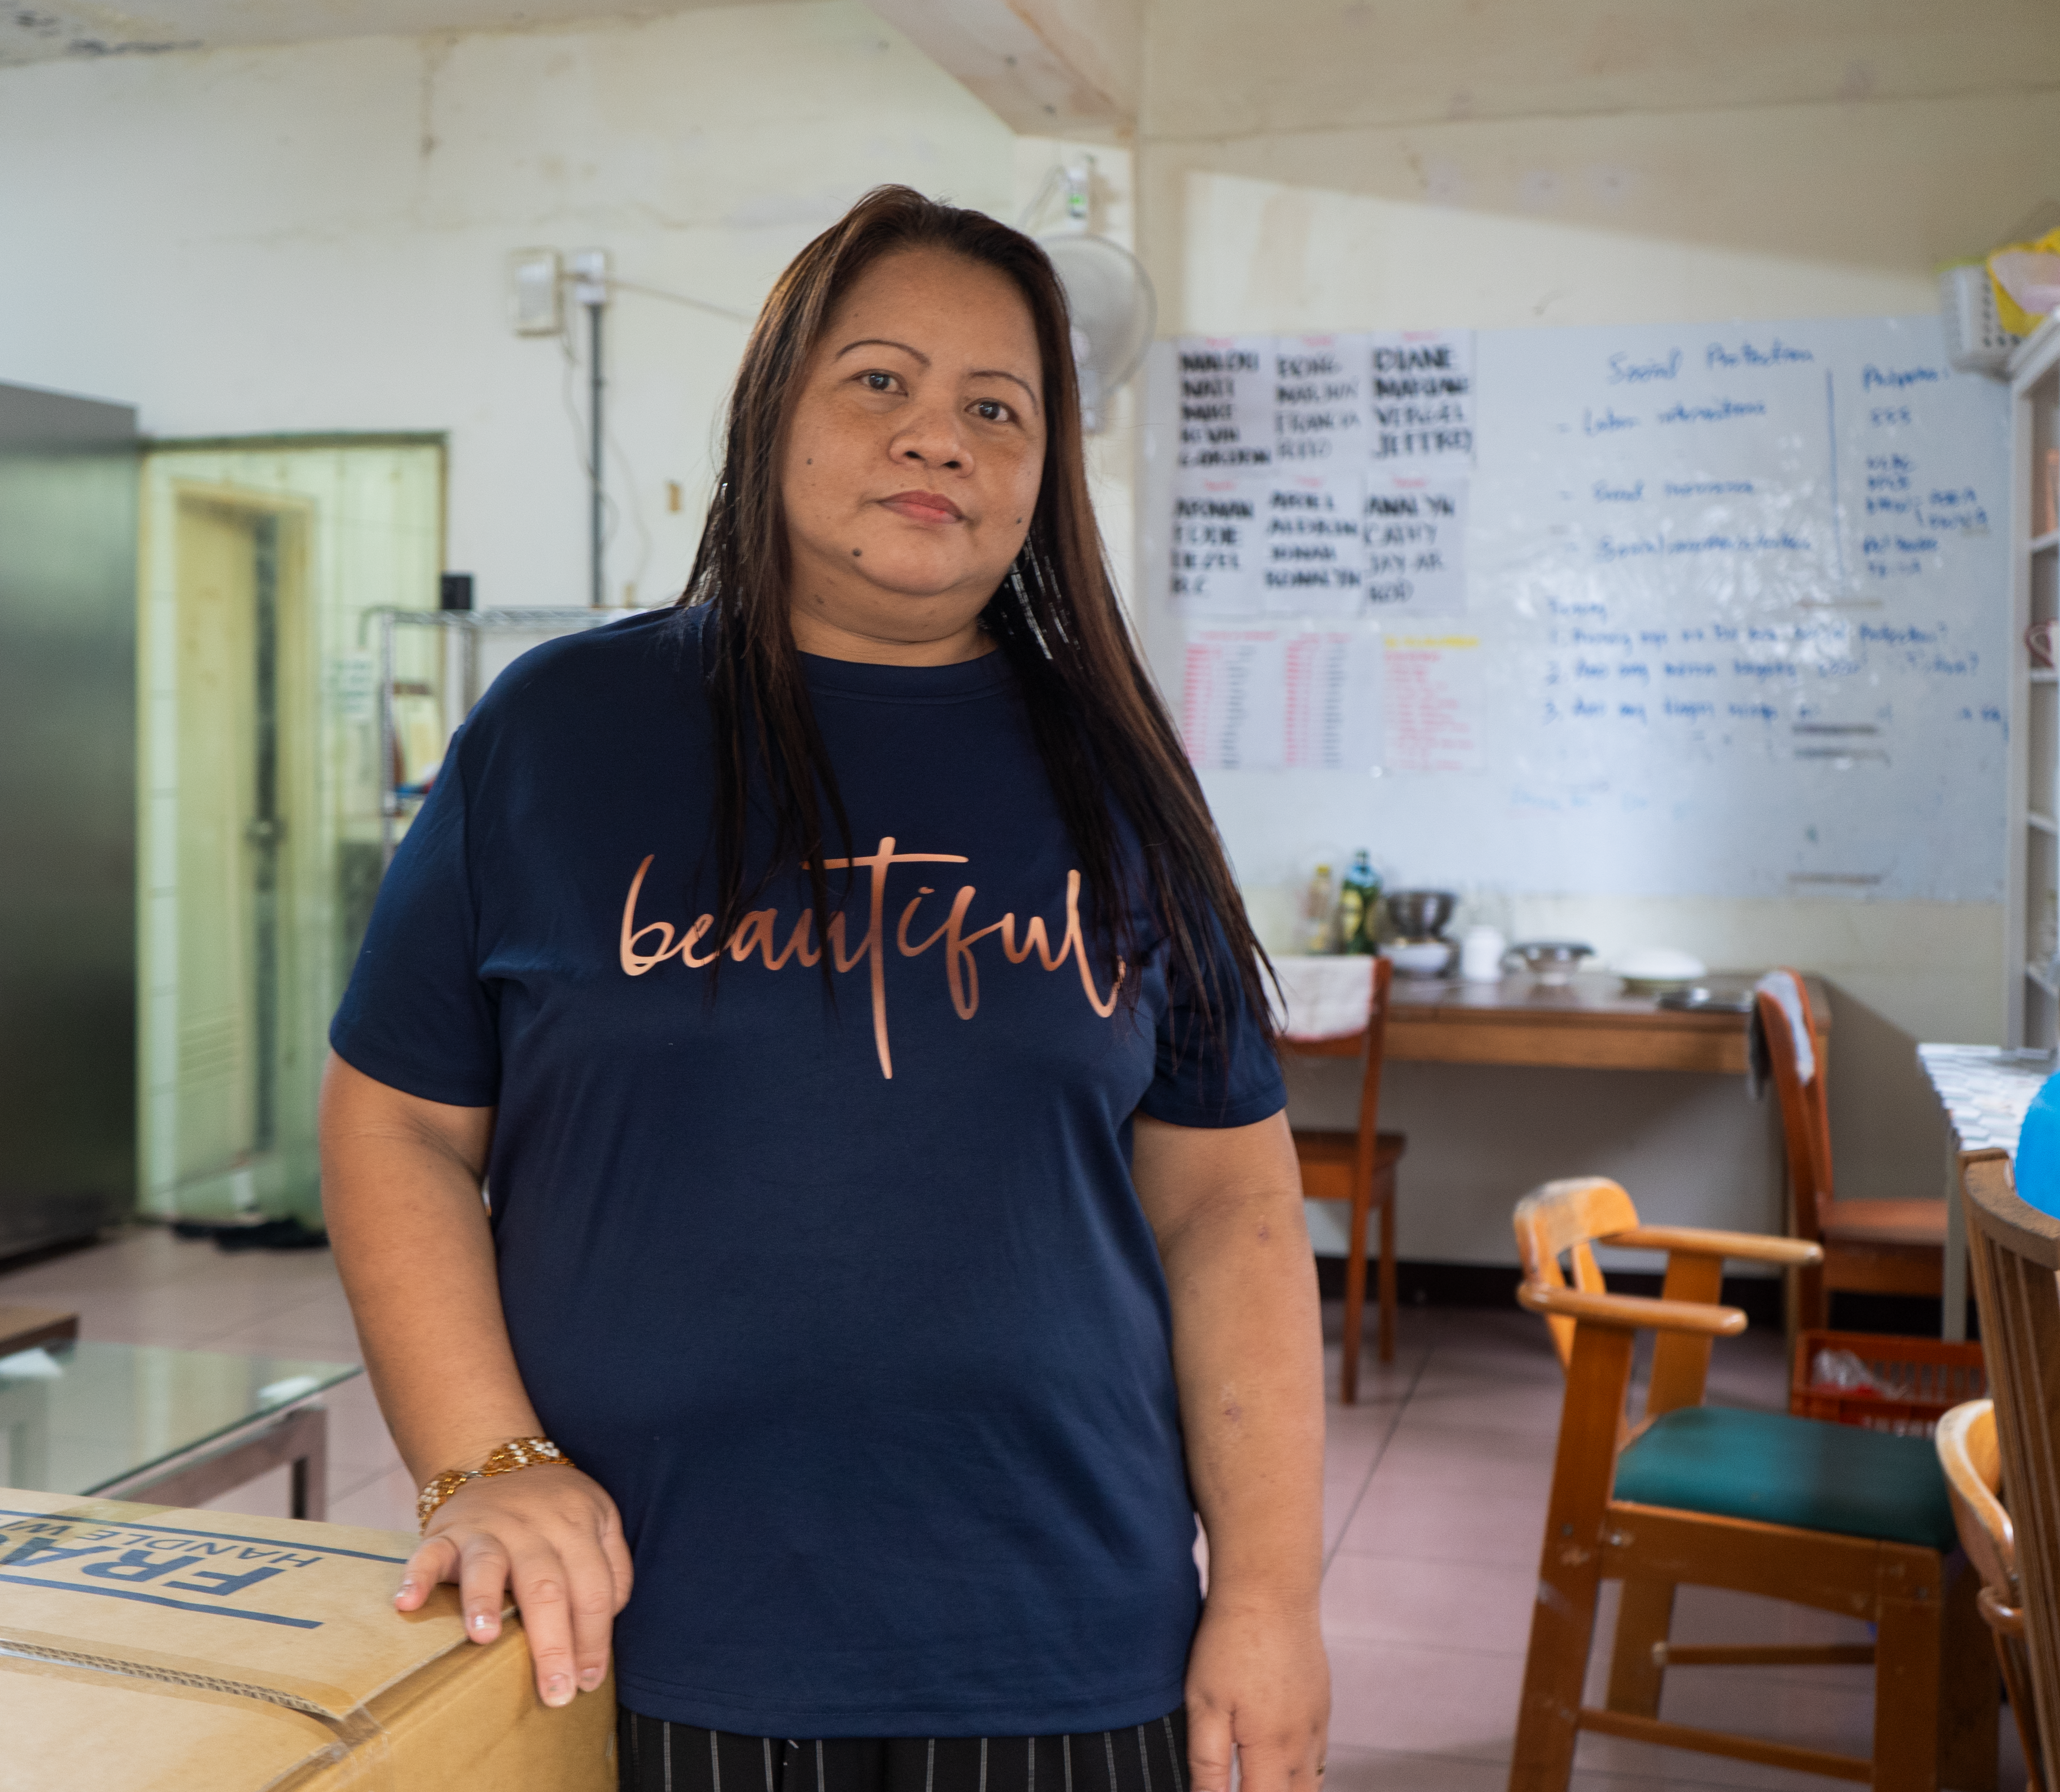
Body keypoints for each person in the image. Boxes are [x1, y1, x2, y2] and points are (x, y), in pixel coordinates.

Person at [321, 185, 1330, 1792]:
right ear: (772, 412)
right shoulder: (563, 732)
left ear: (1046, 472)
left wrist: (1270, 1596)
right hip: (640, 1620)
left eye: (997, 408)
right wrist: (481, 1459)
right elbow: (397, 1131)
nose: (939, 438)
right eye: (880, 381)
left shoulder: (1121, 773)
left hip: (1062, 1631)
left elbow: (1230, 1208)